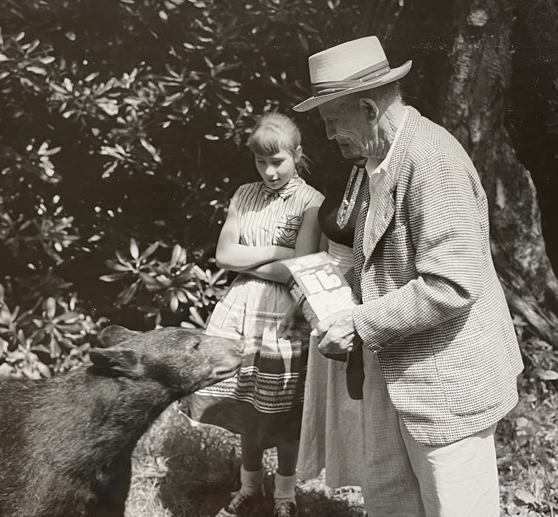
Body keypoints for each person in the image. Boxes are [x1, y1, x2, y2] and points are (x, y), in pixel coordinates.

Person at [292, 35, 524, 517]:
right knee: (392, 503)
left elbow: (453, 283)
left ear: (370, 109)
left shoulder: (432, 159)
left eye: (334, 120)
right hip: (395, 374)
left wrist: (357, 322)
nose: (330, 134)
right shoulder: (379, 160)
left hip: (446, 382)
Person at [183, 112, 323, 517]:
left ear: (297, 155)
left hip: (284, 313)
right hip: (242, 310)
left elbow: (300, 268)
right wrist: (279, 252)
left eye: (277, 161)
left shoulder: (310, 201)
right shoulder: (244, 195)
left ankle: (285, 495)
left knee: (281, 406)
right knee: (248, 403)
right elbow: (225, 254)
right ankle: (249, 486)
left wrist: (258, 260)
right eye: (261, 162)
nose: (269, 171)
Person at [296, 155, 366, 488]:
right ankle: (352, 481)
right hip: (329, 296)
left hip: (362, 300)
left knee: (362, 405)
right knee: (335, 401)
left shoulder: (388, 175)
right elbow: (328, 237)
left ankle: (377, 491)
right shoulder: (341, 168)